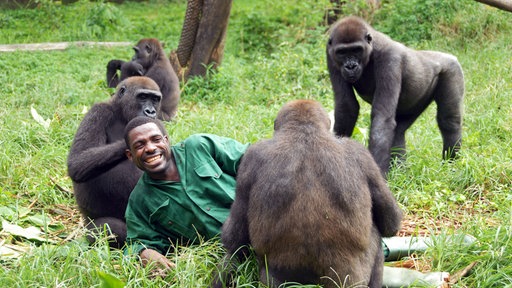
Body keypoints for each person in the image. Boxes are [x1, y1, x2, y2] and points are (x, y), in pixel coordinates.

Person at [123, 116, 452, 287]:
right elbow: (137, 240)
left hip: (274, 219)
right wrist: (145, 251)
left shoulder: (199, 146)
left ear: (167, 139)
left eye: (155, 139)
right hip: (243, 246)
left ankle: (433, 243)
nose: (150, 148)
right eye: (140, 145)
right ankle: (422, 279)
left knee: (360, 241)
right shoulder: (140, 201)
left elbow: (258, 164)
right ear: (130, 155)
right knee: (345, 263)